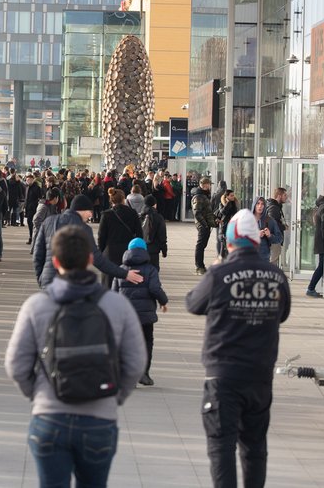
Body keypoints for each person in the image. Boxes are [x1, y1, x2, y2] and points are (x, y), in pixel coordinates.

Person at [5, 225, 146, 488]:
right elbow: (136, 361)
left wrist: (38, 394)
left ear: (55, 261)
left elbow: (16, 364)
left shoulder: (37, 306)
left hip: (50, 417)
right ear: (91, 259)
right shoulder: (116, 305)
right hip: (100, 418)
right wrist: (115, 396)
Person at [186, 209, 291, 488]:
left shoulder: (220, 273)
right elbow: (283, 314)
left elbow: (193, 304)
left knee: (221, 446)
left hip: (224, 375)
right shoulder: (276, 277)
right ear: (256, 242)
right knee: (255, 447)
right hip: (260, 376)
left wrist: (216, 266)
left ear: (229, 241)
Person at [34, 193, 142, 289]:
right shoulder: (83, 229)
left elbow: (38, 254)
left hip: (48, 280)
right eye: (89, 211)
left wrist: (41, 277)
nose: (91, 215)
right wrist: (125, 274)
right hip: (72, 282)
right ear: (81, 210)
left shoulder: (48, 222)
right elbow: (98, 260)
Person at [114, 238, 168, 386]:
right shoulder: (150, 270)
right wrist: (163, 301)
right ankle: (143, 373)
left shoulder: (121, 270)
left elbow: (113, 293)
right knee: (146, 342)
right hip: (145, 316)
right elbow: (154, 289)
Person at [97, 188, 144, 266]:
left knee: (110, 276)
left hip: (110, 251)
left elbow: (101, 236)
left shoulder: (106, 214)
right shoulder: (132, 213)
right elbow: (139, 233)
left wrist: (101, 251)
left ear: (111, 200)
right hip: (128, 250)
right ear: (123, 199)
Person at [192, 177, 218, 275]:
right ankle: (199, 267)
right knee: (200, 245)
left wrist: (214, 220)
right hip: (202, 225)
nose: (210, 186)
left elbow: (207, 211)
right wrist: (205, 224)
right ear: (203, 185)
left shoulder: (204, 195)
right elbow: (197, 213)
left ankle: (201, 266)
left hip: (205, 224)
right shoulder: (199, 196)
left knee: (202, 245)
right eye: (208, 184)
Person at [306, 196, 324, 298]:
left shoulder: (319, 208)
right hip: (323, 242)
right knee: (322, 266)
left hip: (320, 241)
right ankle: (311, 288)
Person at [251, 197, 283, 263]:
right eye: (258, 203)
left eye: (262, 204)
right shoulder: (246, 220)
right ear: (254, 205)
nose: (260, 206)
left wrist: (269, 235)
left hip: (264, 258)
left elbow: (279, 238)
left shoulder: (270, 221)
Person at [140, 195, 168, 270]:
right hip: (153, 249)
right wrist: (164, 250)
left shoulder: (139, 217)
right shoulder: (158, 217)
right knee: (153, 271)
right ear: (154, 204)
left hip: (140, 247)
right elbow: (162, 235)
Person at [265, 188, 289, 266]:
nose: (286, 197)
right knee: (273, 261)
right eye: (285, 195)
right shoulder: (274, 208)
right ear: (279, 196)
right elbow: (273, 223)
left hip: (273, 237)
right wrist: (283, 227)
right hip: (274, 238)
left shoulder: (275, 206)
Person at [216, 189, 239, 260]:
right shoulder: (221, 204)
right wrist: (228, 203)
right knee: (223, 246)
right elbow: (223, 212)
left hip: (232, 226)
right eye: (231, 196)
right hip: (224, 226)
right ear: (227, 196)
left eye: (233, 195)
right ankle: (222, 260)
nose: (233, 197)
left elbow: (235, 214)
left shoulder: (234, 203)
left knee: (231, 245)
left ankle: (229, 259)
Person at [24, 174, 44, 245]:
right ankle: (31, 237)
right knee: (29, 223)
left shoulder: (37, 188)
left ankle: (34, 238)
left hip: (34, 208)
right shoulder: (27, 187)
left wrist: (35, 205)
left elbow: (40, 198)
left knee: (34, 223)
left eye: (29, 180)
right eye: (27, 180)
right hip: (28, 208)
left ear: (33, 180)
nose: (27, 181)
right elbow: (26, 198)